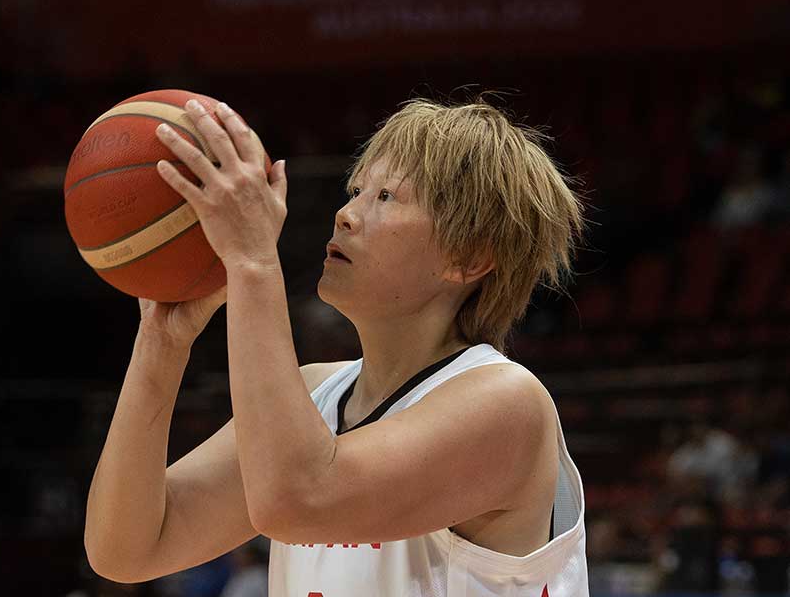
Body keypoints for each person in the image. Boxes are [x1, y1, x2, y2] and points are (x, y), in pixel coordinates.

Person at [84, 94, 588, 596]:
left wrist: (253, 263)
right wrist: (161, 345)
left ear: (469, 258)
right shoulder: (312, 394)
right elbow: (127, 550)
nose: (345, 214)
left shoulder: (505, 403)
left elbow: (298, 500)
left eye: (386, 197)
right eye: (355, 190)